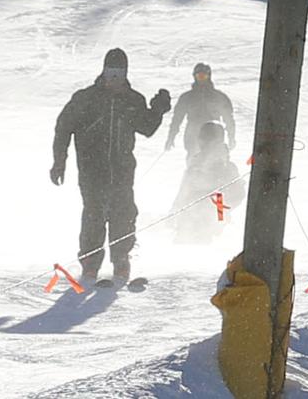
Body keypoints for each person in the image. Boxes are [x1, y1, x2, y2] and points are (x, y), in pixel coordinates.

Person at [52, 48, 173, 288]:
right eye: (110, 72)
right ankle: (90, 264)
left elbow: (146, 128)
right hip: (91, 170)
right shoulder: (85, 98)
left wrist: (158, 110)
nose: (114, 78)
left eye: (119, 73)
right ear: (103, 71)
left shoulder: (133, 100)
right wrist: (59, 161)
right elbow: (63, 127)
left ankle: (120, 260)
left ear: (125, 73)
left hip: (122, 170)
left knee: (123, 214)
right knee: (94, 215)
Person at [163, 61, 241, 224]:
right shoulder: (188, 98)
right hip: (194, 138)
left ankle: (220, 215)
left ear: (209, 76)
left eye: (204, 76)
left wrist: (231, 136)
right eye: (199, 76)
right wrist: (171, 136)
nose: (201, 79)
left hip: (216, 138)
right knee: (193, 174)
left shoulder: (218, 97)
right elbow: (177, 118)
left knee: (218, 180)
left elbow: (229, 118)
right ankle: (186, 213)